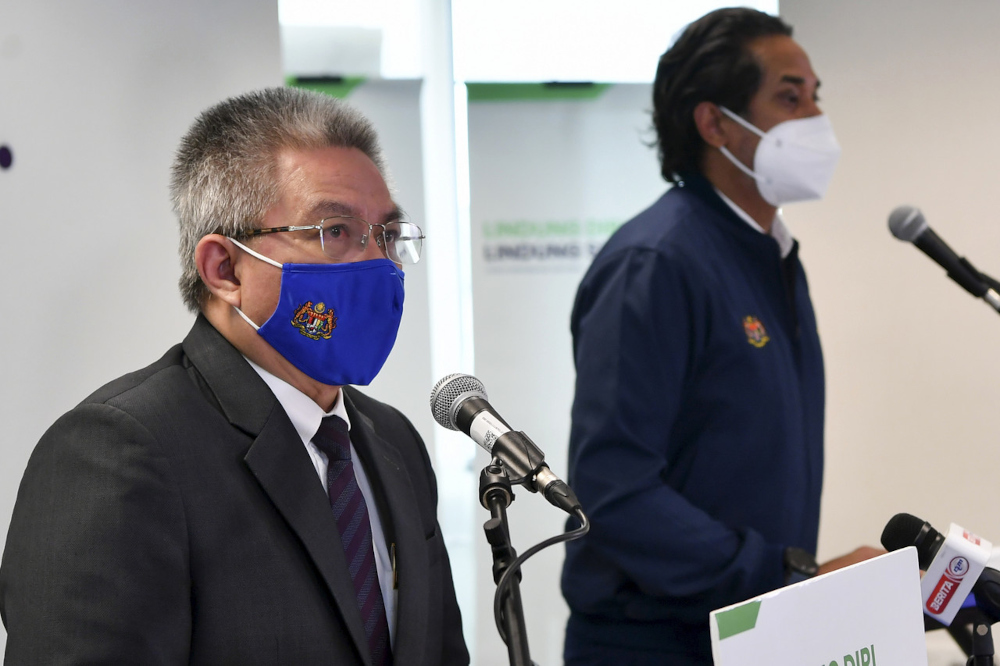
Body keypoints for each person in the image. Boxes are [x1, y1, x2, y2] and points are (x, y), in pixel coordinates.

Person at [0, 87, 469, 665]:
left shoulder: (393, 442)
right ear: (223, 268)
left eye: (387, 236)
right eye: (335, 233)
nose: (376, 263)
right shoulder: (121, 452)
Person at [560, 8, 881, 665]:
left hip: (751, 630)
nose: (814, 119)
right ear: (715, 124)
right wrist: (790, 576)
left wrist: (790, 587)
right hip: (653, 644)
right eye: (789, 97)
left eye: (815, 97)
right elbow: (614, 489)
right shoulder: (657, 263)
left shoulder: (773, 256)